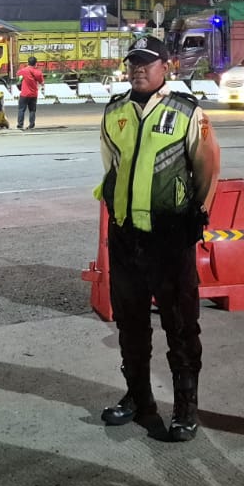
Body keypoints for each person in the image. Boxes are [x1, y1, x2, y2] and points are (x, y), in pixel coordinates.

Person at [97, 35, 221, 442]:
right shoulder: (115, 111)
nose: (138, 69)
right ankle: (138, 398)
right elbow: (111, 167)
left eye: (147, 62)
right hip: (126, 238)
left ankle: (186, 408)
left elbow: (207, 166)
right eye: (133, 62)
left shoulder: (186, 111)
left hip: (169, 237)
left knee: (181, 326)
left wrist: (197, 214)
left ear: (165, 67)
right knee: (130, 324)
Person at [16, 56, 43, 130]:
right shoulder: (38, 72)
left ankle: (20, 125)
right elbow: (42, 83)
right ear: (36, 63)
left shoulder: (23, 70)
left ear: (28, 63)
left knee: (21, 109)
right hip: (33, 94)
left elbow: (18, 74)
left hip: (24, 94)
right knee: (32, 110)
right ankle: (31, 125)